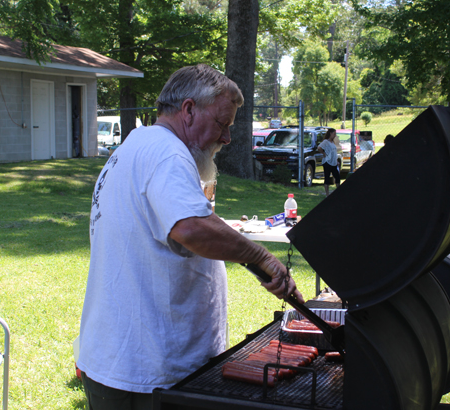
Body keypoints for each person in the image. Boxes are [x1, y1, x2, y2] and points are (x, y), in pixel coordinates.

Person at [77, 64, 304, 410]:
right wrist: (261, 256)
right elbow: (191, 228)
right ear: (188, 110)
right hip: (146, 372)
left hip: (122, 360)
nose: (226, 138)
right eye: (222, 124)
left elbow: (186, 223)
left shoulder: (138, 145)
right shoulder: (166, 153)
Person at [317, 128, 340, 196]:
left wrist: (336, 161)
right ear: (330, 133)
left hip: (334, 162)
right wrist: (323, 153)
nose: (335, 135)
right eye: (334, 134)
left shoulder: (332, 142)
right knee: (327, 177)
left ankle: (338, 192)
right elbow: (319, 147)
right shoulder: (326, 142)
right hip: (327, 162)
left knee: (337, 177)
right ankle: (327, 193)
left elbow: (334, 153)